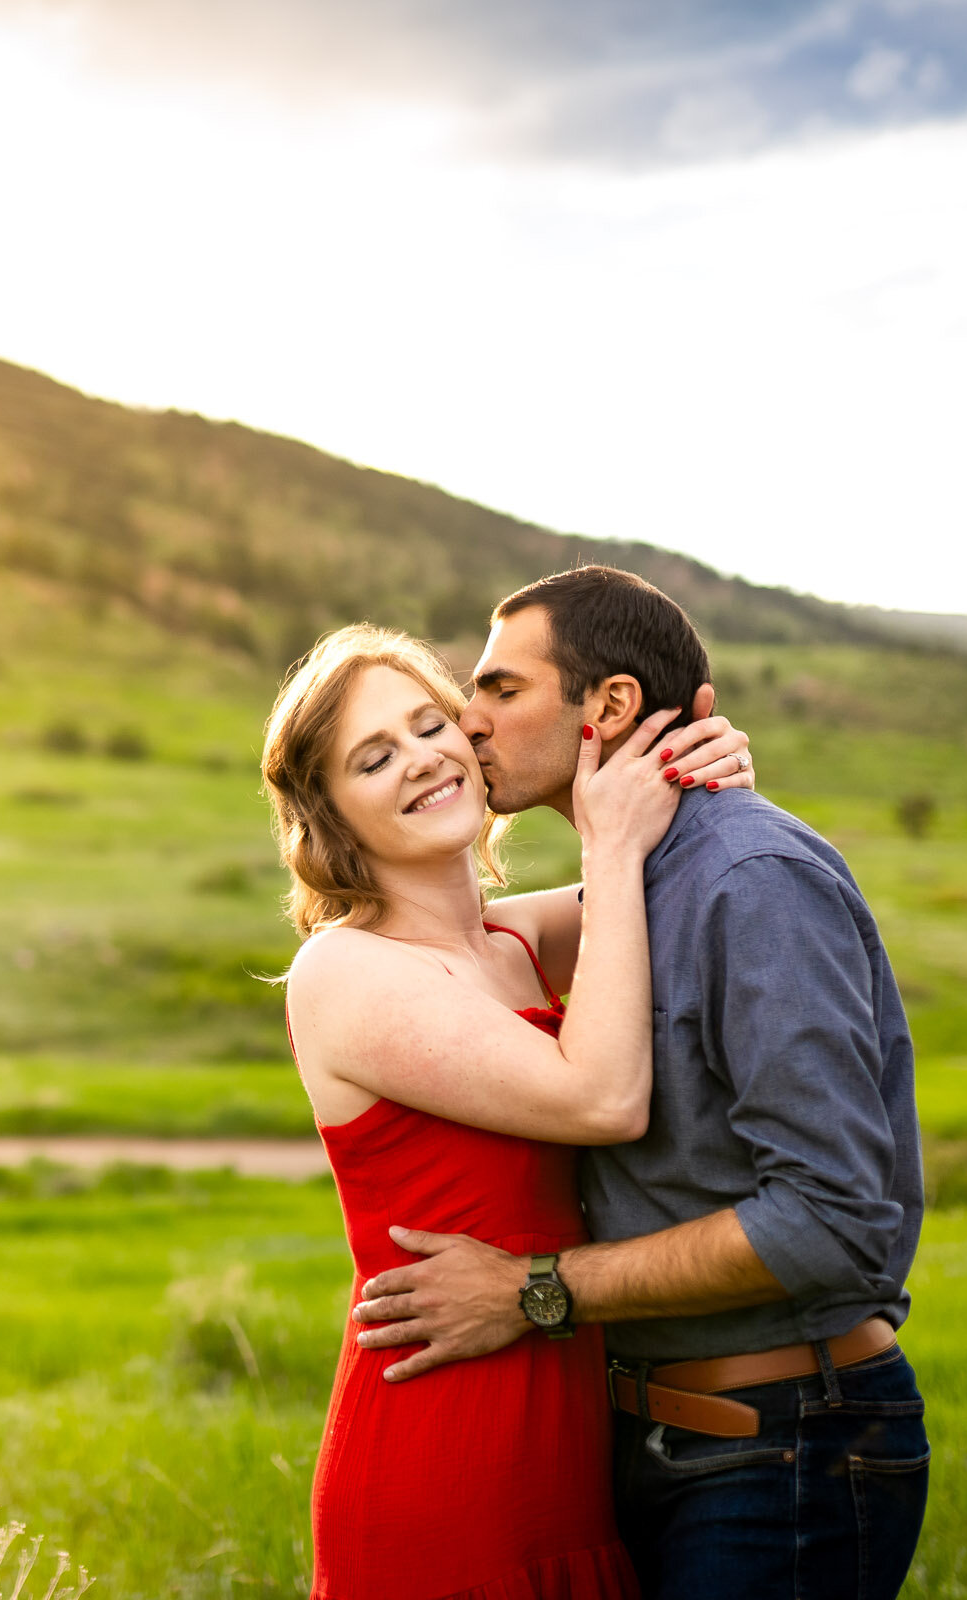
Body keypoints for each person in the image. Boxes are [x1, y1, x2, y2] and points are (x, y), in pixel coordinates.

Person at [346, 566, 929, 1600]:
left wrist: (538, 1290)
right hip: (650, 1444)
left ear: (608, 706)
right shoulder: (627, 886)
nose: (466, 723)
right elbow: (454, 939)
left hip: (777, 1446)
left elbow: (832, 1217)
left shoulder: (749, 880)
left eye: (501, 690)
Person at [263, 622, 758, 1600]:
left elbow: (686, 871)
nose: (420, 759)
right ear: (331, 815)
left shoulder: (516, 939)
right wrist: (612, 846)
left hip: (568, 1454)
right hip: (440, 1451)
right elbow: (603, 1096)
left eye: (429, 724)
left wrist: (708, 763)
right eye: (373, 756)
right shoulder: (345, 971)